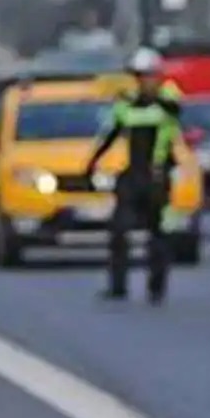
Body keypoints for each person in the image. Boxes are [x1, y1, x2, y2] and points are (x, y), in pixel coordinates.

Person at [84, 46, 182, 304]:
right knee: (119, 231)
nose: (146, 82)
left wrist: (151, 97)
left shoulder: (167, 101)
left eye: (150, 76)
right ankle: (118, 286)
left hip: (158, 176)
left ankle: (156, 287)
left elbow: (174, 108)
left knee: (159, 235)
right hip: (133, 175)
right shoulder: (125, 106)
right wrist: (92, 163)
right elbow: (110, 135)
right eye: (141, 76)